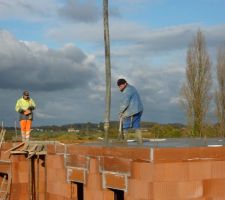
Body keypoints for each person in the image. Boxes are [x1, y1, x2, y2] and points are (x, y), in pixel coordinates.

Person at [117, 78, 143, 144]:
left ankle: (124, 142)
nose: (120, 88)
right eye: (119, 86)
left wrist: (120, 112)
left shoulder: (127, 90)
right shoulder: (132, 88)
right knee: (136, 126)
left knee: (125, 126)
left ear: (125, 84)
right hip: (139, 109)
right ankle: (140, 142)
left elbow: (125, 103)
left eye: (121, 86)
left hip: (132, 110)